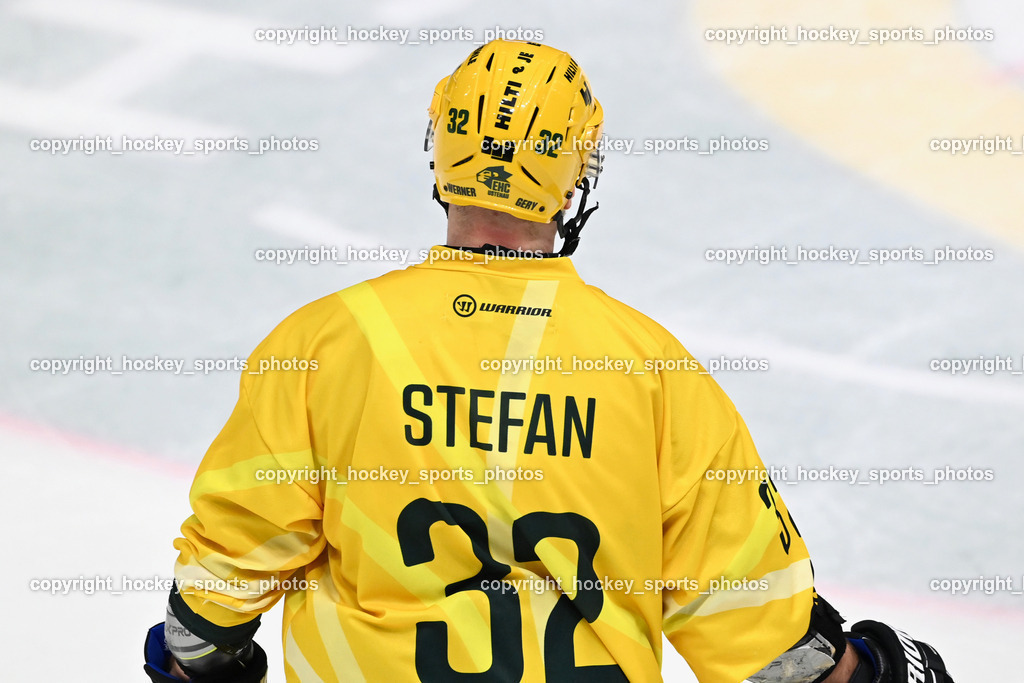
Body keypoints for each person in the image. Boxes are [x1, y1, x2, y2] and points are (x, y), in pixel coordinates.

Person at [143, 39, 954, 683]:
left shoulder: (327, 342)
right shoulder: (654, 372)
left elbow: (219, 590)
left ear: (439, 155)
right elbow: (769, 645)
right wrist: (880, 667)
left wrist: (206, 655)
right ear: (577, 179)